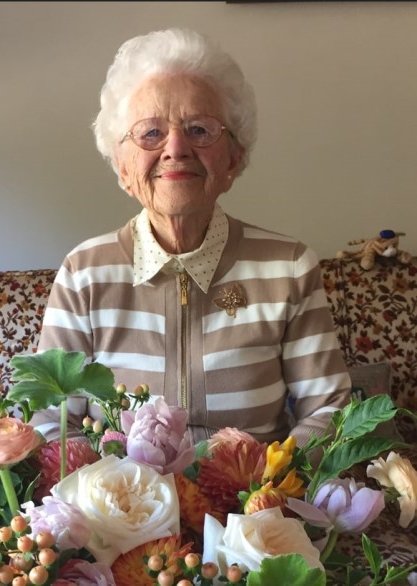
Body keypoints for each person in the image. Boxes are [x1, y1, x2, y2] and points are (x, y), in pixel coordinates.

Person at [31, 28, 351, 446]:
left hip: (252, 502)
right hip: (122, 505)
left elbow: (328, 409)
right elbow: (49, 420)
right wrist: (108, 493)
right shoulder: (84, 273)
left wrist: (268, 482)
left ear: (234, 159)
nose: (176, 148)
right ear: (123, 167)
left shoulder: (288, 266)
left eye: (199, 129)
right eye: (150, 133)